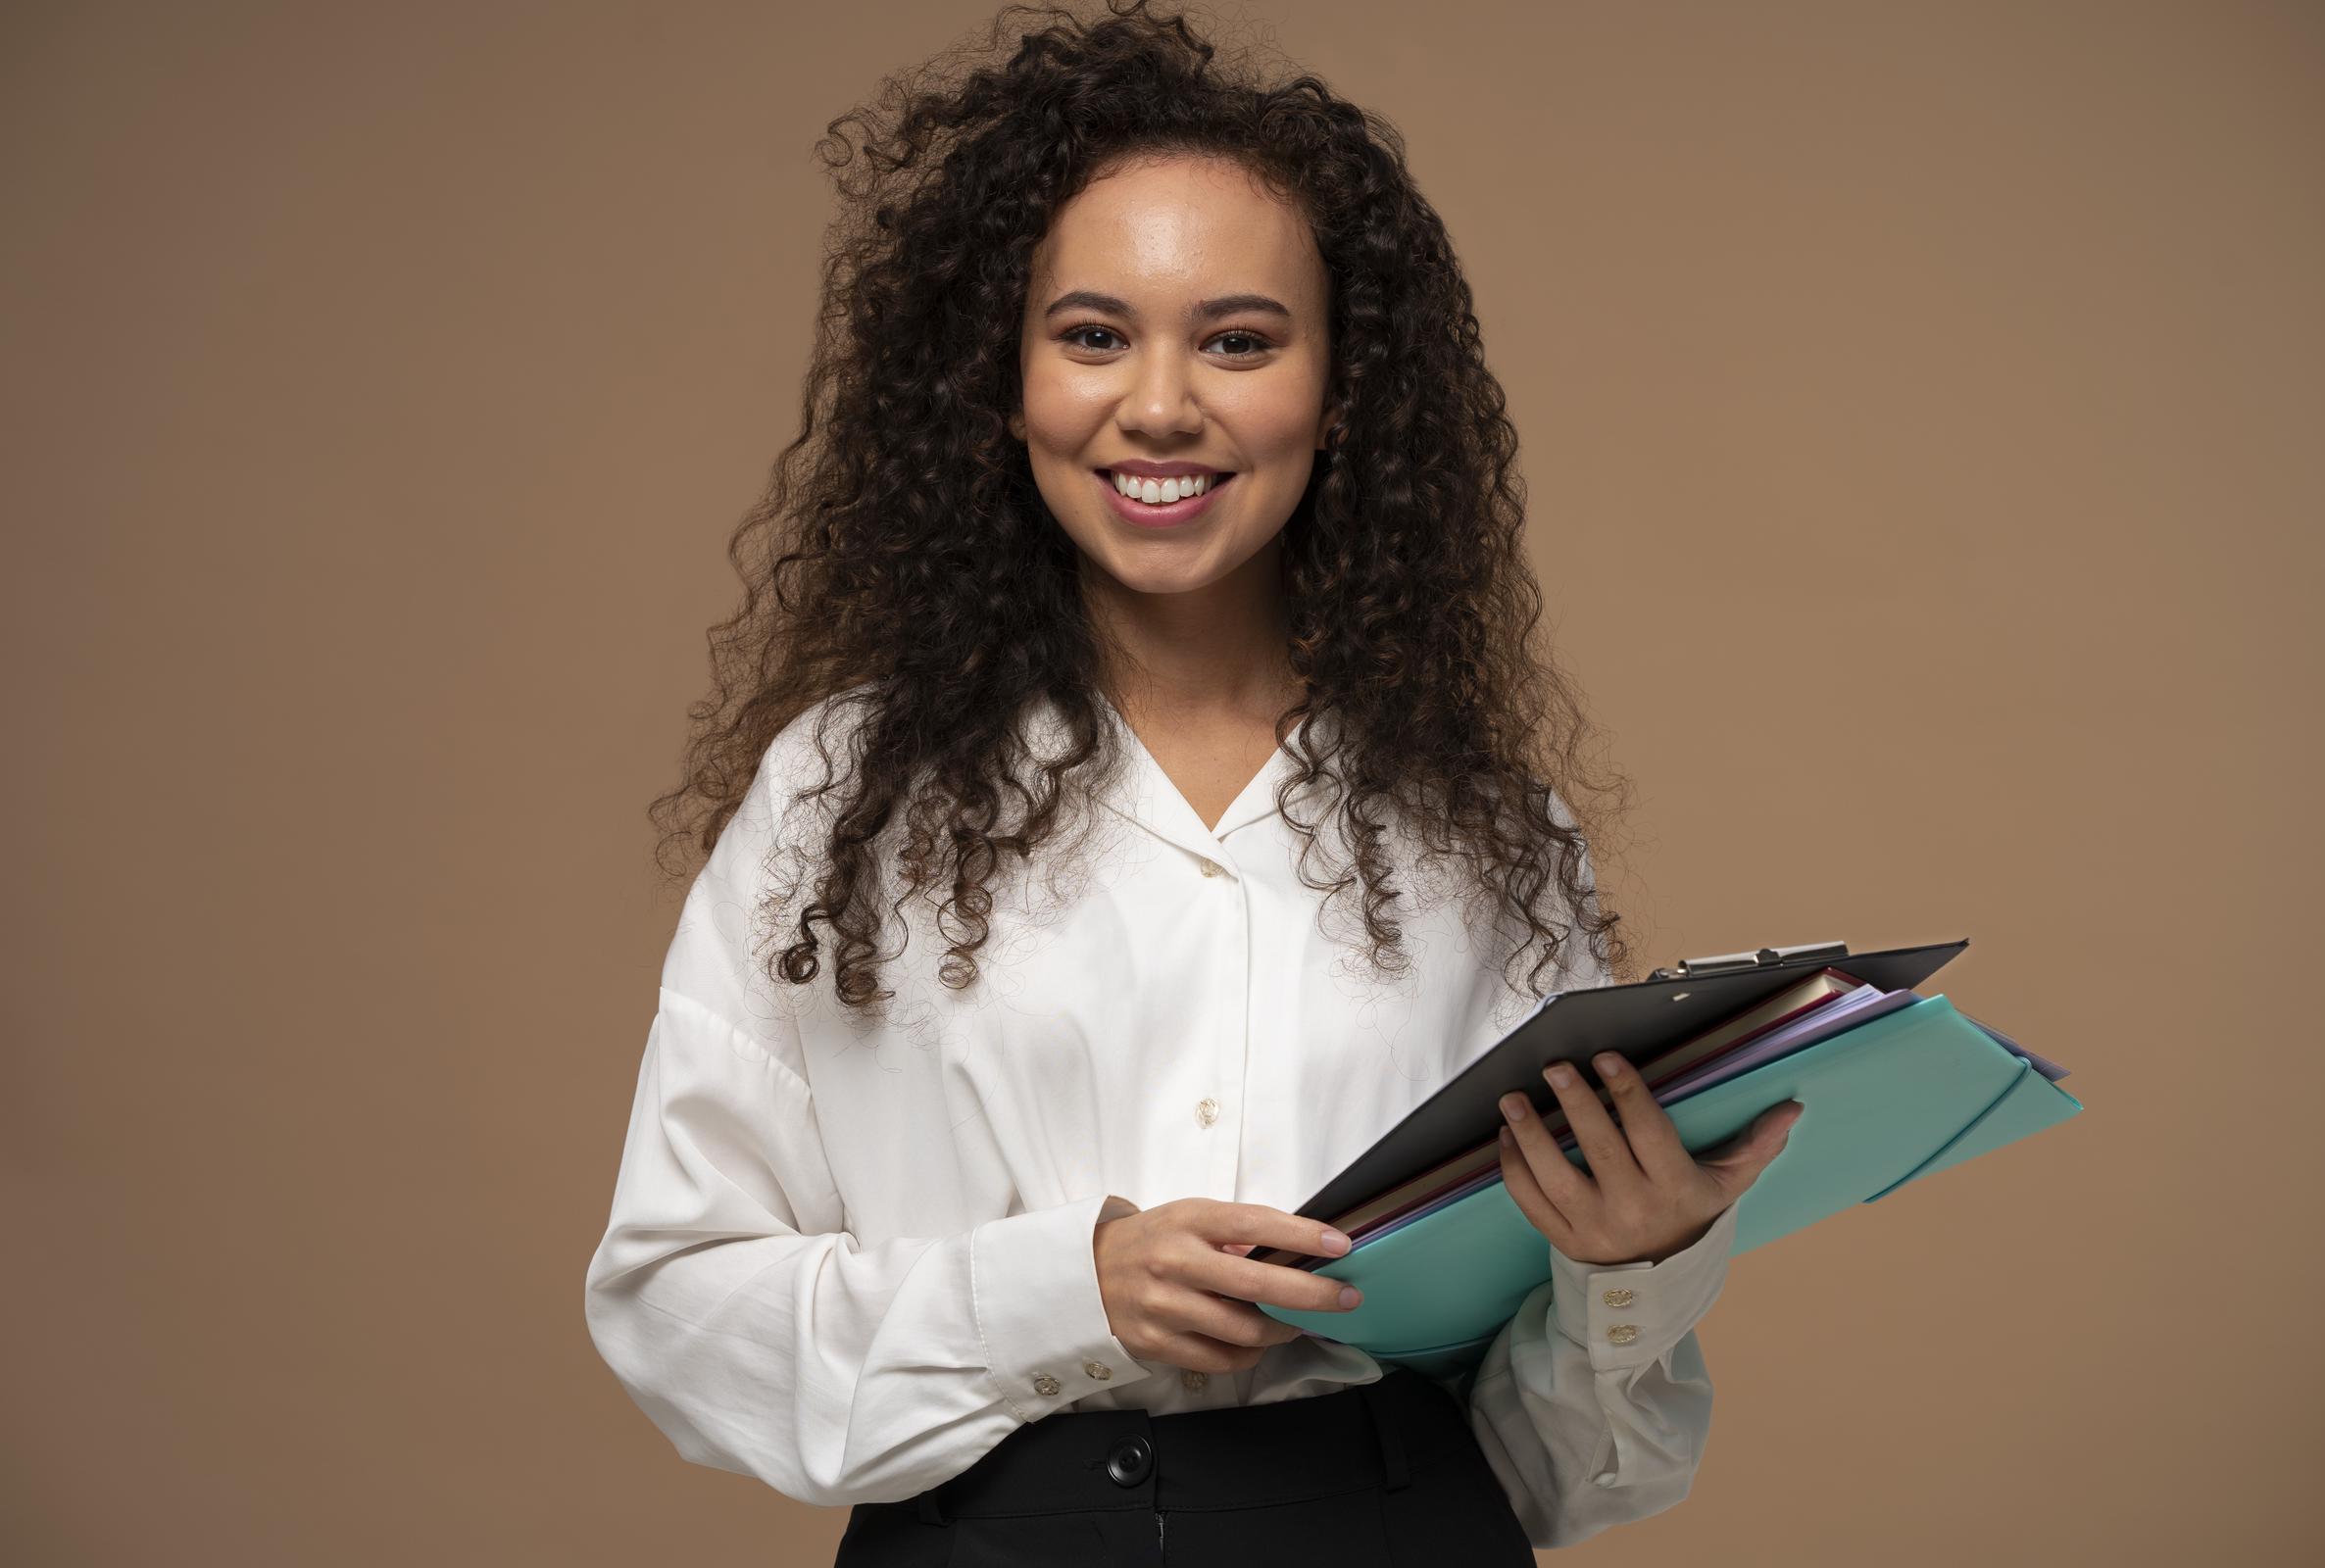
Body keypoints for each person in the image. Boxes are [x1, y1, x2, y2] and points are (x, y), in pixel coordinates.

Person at [582, 3, 1803, 1561]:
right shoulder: (842, 794)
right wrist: (1064, 1295)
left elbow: (1557, 1472)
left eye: (1239, 339)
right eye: (1093, 335)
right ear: (1002, 381)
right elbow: (678, 1304)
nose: (1160, 406)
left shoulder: (1481, 831)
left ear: (1343, 389)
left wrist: (1634, 1273)